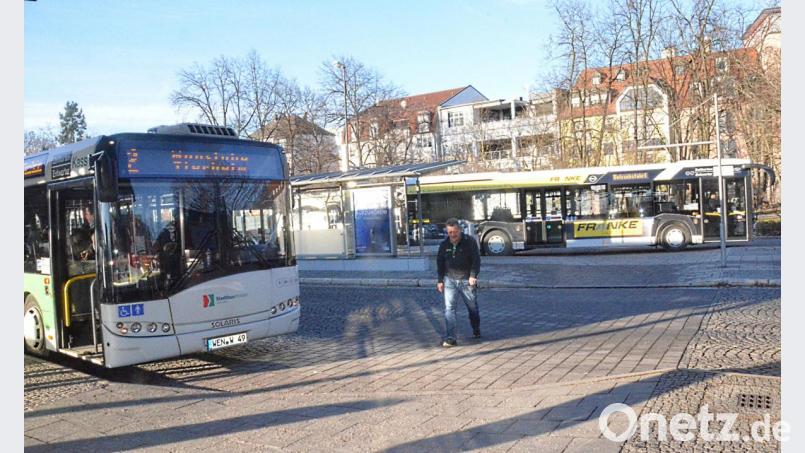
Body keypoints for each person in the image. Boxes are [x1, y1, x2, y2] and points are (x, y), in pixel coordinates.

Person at [436, 218, 481, 347]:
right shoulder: (444, 245)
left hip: (466, 280)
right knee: (449, 309)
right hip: (449, 280)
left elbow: (476, 260)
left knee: (472, 308)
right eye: (450, 232)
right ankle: (451, 338)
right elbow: (440, 263)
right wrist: (440, 280)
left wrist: (473, 275)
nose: (453, 235)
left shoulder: (469, 242)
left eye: (455, 232)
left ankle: (476, 328)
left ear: (460, 230)